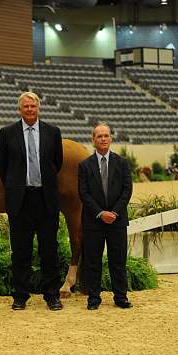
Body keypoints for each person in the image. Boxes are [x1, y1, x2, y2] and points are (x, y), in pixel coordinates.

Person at [0, 91, 64, 311]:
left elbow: (57, 163)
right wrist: (15, 185)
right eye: (25, 107)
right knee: (21, 250)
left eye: (33, 106)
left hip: (45, 199)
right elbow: (1, 166)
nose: (29, 110)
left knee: (49, 250)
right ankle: (20, 295)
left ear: (39, 108)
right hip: (20, 200)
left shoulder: (53, 132)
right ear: (19, 109)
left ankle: (51, 295)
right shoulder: (7, 133)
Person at [78, 124, 133, 310]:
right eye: (99, 136)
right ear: (93, 140)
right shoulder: (84, 166)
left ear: (111, 138)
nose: (103, 139)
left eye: (106, 135)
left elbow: (127, 190)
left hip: (117, 221)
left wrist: (114, 213)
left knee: (118, 261)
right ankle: (93, 298)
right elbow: (83, 193)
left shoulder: (122, 163)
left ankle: (120, 297)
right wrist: (101, 213)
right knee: (93, 262)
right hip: (94, 221)